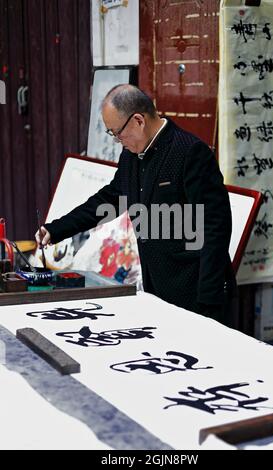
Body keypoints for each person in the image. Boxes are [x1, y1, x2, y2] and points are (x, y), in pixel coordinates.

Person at [36, 84, 237, 326]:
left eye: (117, 133)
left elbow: (215, 226)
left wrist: (209, 297)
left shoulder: (189, 152)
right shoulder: (132, 156)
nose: (118, 140)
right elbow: (109, 198)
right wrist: (56, 229)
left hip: (195, 289)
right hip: (158, 286)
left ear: (138, 121)